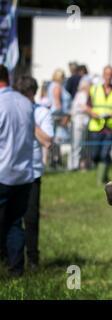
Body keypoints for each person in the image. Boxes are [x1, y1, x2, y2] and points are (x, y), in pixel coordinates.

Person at [14, 75, 53, 269]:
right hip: (10, 172)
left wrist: (29, 119)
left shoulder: (41, 113)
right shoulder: (10, 109)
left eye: (26, 95)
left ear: (33, 94)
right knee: (9, 219)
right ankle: (9, 257)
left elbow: (47, 141)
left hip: (32, 174)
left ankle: (33, 259)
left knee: (30, 219)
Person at [0, 65, 35, 276]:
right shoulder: (25, 102)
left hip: (2, 171)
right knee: (15, 223)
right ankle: (16, 269)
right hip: (23, 174)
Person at [86, 65, 112, 185]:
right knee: (95, 155)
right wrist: (92, 113)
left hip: (111, 127)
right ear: (103, 75)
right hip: (96, 125)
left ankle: (101, 180)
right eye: (106, 74)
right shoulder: (94, 89)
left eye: (110, 74)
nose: (108, 76)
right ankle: (105, 176)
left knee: (105, 153)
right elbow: (88, 107)